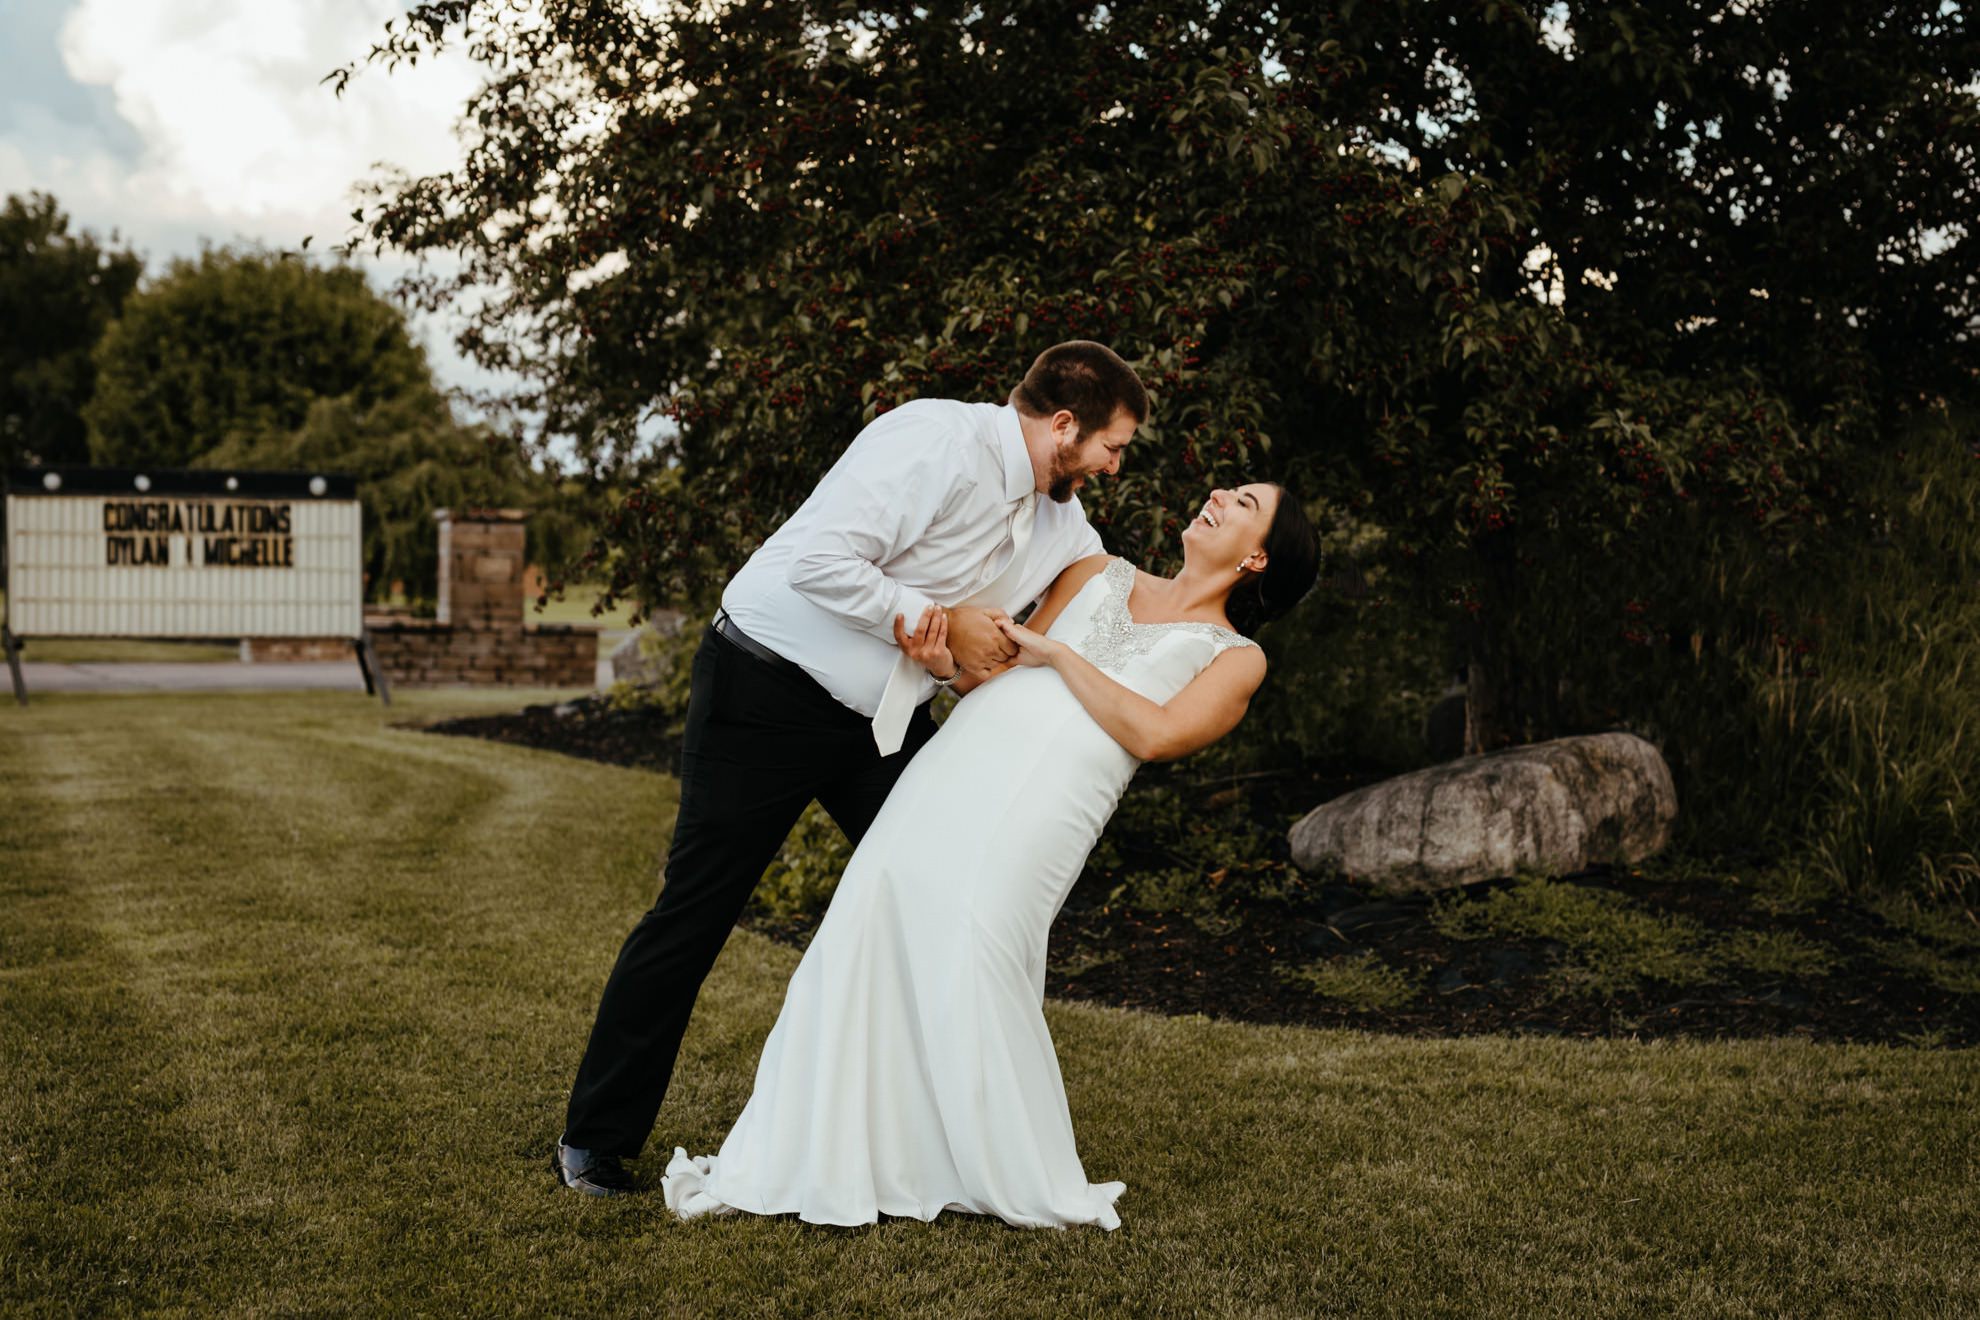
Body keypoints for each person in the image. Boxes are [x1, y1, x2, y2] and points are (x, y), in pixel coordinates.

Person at [553, 341, 1151, 1196]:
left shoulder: (1062, 520)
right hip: (764, 688)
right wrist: (937, 620)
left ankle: (926, 1140)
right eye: (1111, 445)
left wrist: (1212, 605)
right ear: (1064, 426)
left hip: (880, 721)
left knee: (946, 896)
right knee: (697, 909)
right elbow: (817, 562)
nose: (1113, 465)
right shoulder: (933, 442)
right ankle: (594, 1137)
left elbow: (1111, 591)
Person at [660, 480, 1321, 1229]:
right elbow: (991, 674)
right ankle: (834, 1148)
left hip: (1043, 809)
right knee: (870, 918)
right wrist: (943, 663)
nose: (1219, 495)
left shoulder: (1237, 658)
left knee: (977, 948)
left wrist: (1059, 656)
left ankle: (985, 1162)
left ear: (1259, 556)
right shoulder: (1094, 571)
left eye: (1244, 503)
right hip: (954, 768)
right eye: (1227, 488)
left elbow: (1156, 735)